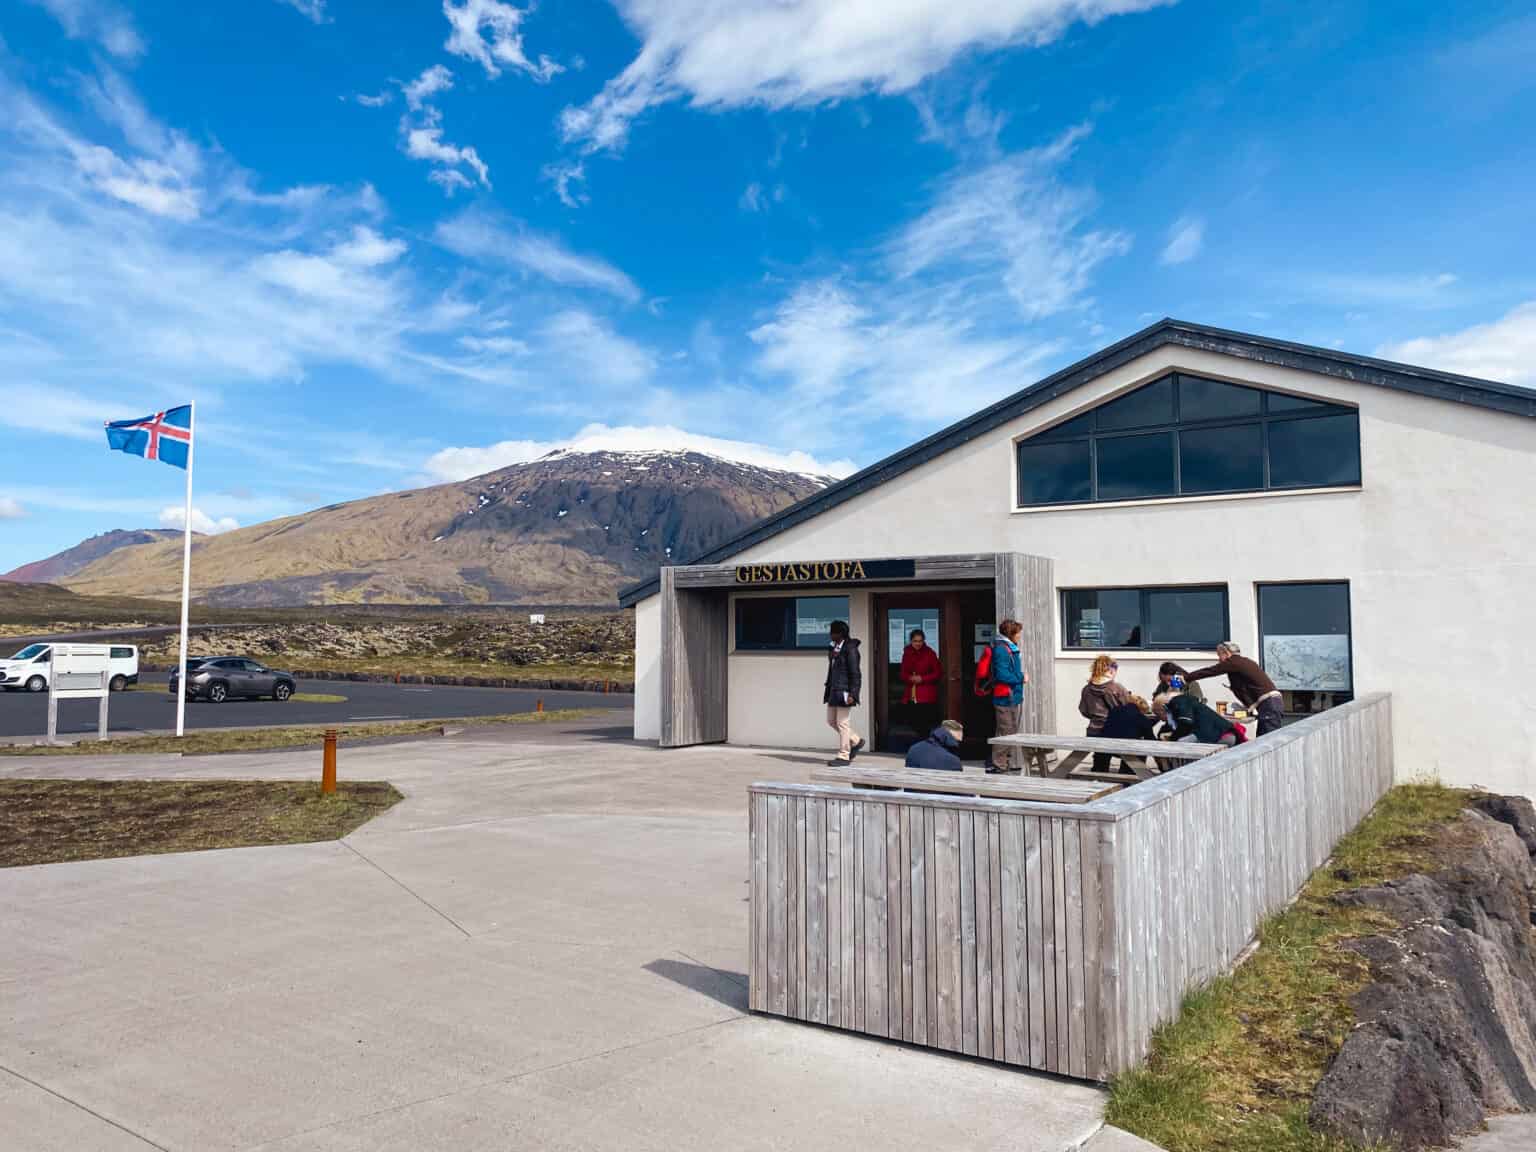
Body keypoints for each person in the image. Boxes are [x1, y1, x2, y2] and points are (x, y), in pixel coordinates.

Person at [1184, 641, 1284, 736]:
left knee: (1267, 742)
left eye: (1219, 655)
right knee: (1263, 741)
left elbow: (1210, 671)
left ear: (1226, 653)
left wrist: (1186, 678)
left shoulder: (1233, 662)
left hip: (1269, 704)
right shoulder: (1244, 662)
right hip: (1271, 703)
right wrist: (1247, 708)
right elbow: (1246, 686)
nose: (1219, 660)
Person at [987, 619, 1028, 774]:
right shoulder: (1002, 650)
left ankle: (1004, 763)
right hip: (1005, 696)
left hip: (1011, 695)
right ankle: (999, 765)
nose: (1019, 636)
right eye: (1017, 633)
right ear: (1011, 633)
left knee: (1009, 730)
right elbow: (1002, 675)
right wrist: (1021, 677)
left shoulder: (1009, 647)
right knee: (1005, 731)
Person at [823, 620, 865, 766]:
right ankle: (856, 741)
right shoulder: (834, 648)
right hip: (833, 690)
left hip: (845, 691)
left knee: (842, 723)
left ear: (840, 634)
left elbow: (856, 674)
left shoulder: (850, 649)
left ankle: (844, 755)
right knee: (831, 721)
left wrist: (853, 694)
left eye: (832, 632)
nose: (830, 634)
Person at [1079, 655, 1131, 771]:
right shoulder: (1116, 688)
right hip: (1116, 733)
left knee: (1100, 756)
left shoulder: (1087, 689)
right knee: (1138, 743)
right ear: (1111, 670)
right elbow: (1127, 710)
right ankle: (1128, 776)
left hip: (1093, 732)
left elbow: (1084, 710)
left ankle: (1098, 773)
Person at [1154, 687, 1245, 747]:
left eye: (1159, 715)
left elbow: (1186, 722)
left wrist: (1172, 739)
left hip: (1219, 737)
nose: (1162, 720)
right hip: (1227, 735)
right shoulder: (1186, 702)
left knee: (1181, 744)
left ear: (1162, 709)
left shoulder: (1177, 702)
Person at [899, 628, 943, 742]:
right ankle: (921, 746)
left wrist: (922, 678)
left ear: (924, 641)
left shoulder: (930, 653)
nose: (918, 643)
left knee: (925, 723)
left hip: (926, 694)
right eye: (915, 641)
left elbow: (937, 673)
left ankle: (926, 746)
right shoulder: (907, 653)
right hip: (911, 694)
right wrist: (910, 678)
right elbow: (903, 673)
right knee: (913, 722)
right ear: (911, 641)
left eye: (920, 641)